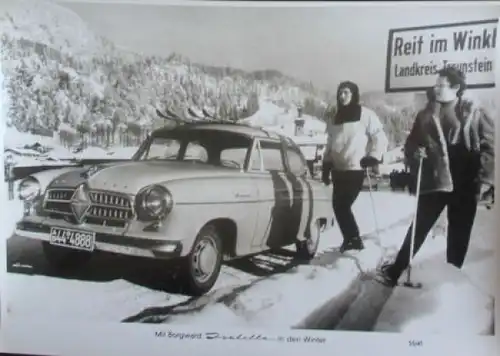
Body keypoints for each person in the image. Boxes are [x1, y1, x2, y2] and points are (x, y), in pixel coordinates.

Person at [375, 67, 495, 287]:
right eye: (436, 85)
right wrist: (415, 153)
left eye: (441, 85)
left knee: (459, 233)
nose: (436, 88)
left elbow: (490, 148)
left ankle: (450, 279)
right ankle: (395, 270)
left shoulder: (474, 112)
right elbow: (411, 143)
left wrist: (486, 179)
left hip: (466, 181)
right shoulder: (426, 115)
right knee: (419, 227)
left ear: (456, 88)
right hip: (436, 178)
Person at [322, 81, 389, 253]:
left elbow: (379, 137)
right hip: (338, 169)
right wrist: (326, 164)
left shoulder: (366, 115)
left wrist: (373, 157)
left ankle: (354, 239)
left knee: (343, 205)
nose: (342, 96)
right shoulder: (334, 117)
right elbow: (330, 143)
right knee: (338, 206)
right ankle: (350, 239)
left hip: (355, 168)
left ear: (354, 95)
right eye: (340, 93)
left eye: (346, 92)